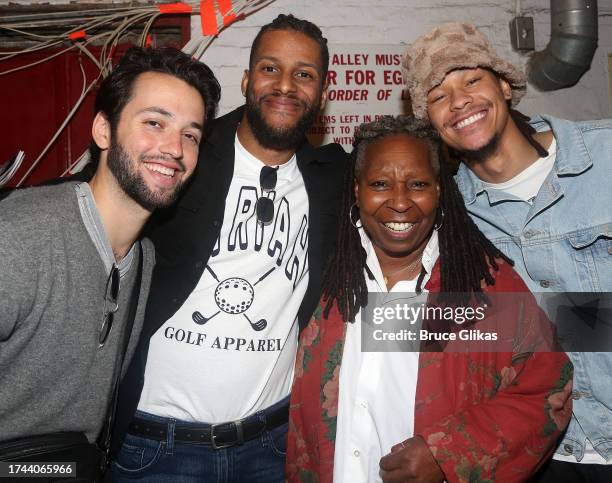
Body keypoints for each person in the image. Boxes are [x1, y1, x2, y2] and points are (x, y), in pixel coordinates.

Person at [111, 14, 347, 482]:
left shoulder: (335, 178)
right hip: (155, 448)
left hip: (272, 447)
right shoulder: (183, 155)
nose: (285, 85)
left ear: (322, 94)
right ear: (246, 79)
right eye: (269, 68)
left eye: (304, 74)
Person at [286, 116, 573, 483]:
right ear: (357, 191)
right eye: (380, 184)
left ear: (439, 189)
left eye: (418, 184)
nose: (400, 202)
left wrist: (449, 454)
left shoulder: (481, 285)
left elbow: (548, 388)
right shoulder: (323, 273)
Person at [402, 22, 612, 482]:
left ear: (504, 85)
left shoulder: (605, 156)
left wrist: (547, 328)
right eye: (438, 96)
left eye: (471, 80)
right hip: (542, 456)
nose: (458, 101)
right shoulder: (450, 216)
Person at [0, 46, 220, 473]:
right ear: (104, 131)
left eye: (190, 135)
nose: (174, 149)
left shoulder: (143, 259)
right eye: (154, 123)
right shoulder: (23, 233)